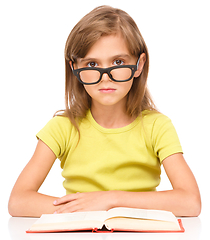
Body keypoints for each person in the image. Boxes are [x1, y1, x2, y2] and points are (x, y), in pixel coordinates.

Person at [8, 5, 201, 218]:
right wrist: (85, 209)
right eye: (92, 64)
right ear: (75, 68)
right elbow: (18, 201)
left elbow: (190, 202)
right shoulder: (62, 128)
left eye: (118, 62)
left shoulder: (157, 126)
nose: (105, 76)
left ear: (139, 65)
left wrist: (110, 199)